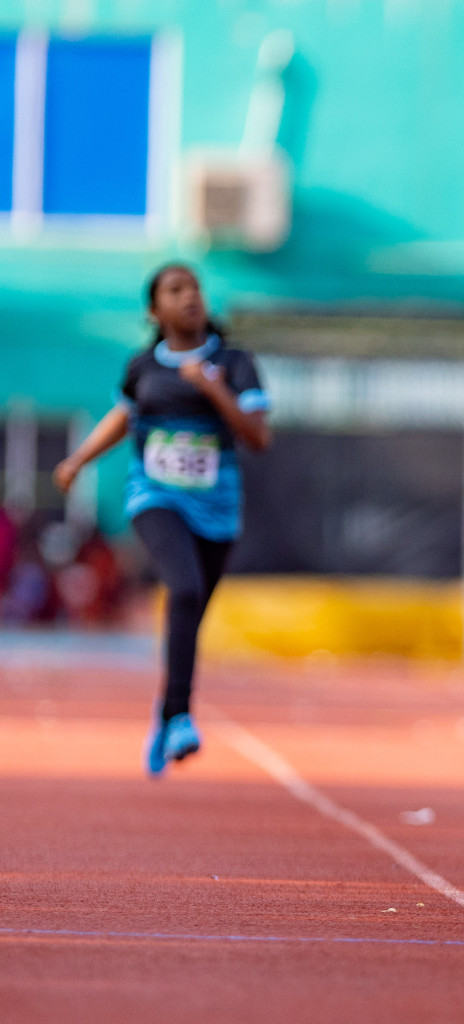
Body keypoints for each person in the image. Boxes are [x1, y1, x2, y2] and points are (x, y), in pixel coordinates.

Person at [55, 264, 271, 777]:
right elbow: (122, 417)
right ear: (156, 311)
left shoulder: (234, 362)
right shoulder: (142, 367)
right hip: (155, 495)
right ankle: (178, 717)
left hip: (217, 507)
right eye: (176, 291)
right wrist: (78, 459)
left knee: (191, 612)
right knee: (184, 589)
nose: (190, 297)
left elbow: (258, 438)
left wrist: (214, 389)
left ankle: (164, 710)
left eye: (195, 287)